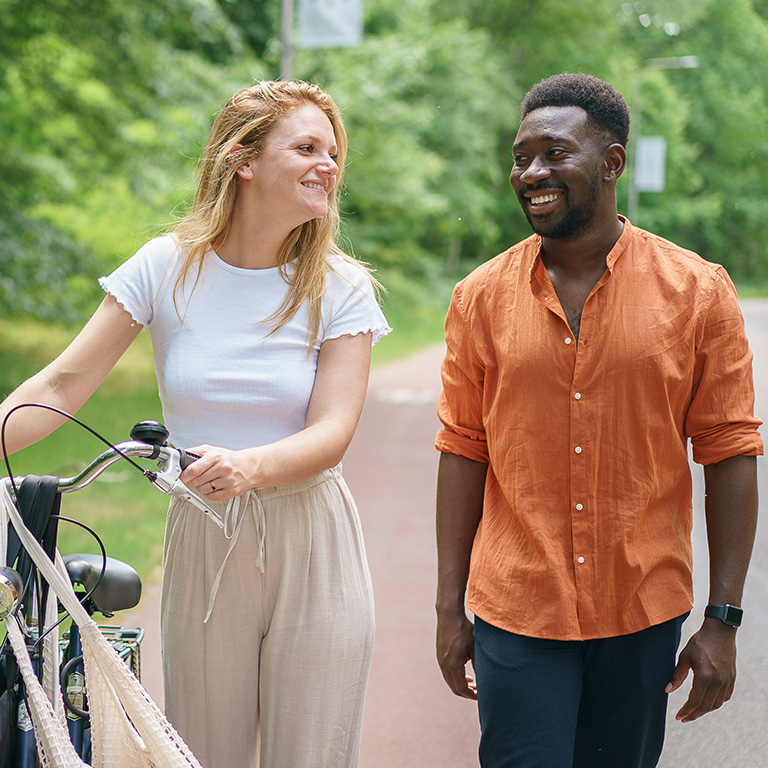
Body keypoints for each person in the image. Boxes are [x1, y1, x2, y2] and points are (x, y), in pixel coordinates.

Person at [0, 80, 390, 768]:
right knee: (199, 754)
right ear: (243, 160)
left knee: (314, 756)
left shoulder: (340, 284)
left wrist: (249, 467)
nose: (328, 165)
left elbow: (333, 431)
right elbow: (59, 386)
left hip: (312, 540)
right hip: (204, 535)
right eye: (307, 148)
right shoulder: (166, 266)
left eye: (333, 152)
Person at [434, 72, 762, 768]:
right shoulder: (479, 298)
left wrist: (723, 618)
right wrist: (447, 609)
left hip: (641, 610)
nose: (531, 173)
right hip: (517, 607)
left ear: (612, 163)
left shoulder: (699, 292)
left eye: (555, 153)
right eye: (521, 157)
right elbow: (463, 448)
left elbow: (730, 449)